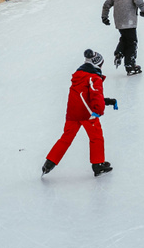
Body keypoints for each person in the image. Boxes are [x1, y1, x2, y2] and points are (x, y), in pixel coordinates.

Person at [42, 49, 116, 177]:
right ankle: (97, 165)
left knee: (66, 138)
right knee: (96, 138)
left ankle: (49, 163)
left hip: (72, 113)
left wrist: (108, 101)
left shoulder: (79, 76)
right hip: (88, 114)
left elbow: (85, 96)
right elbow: (95, 95)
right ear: (97, 64)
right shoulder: (94, 77)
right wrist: (98, 111)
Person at [101, 0, 144, 75]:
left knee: (124, 38)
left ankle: (119, 53)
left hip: (119, 22)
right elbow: (138, 0)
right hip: (130, 21)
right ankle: (130, 65)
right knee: (132, 42)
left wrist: (104, 17)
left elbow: (106, 4)